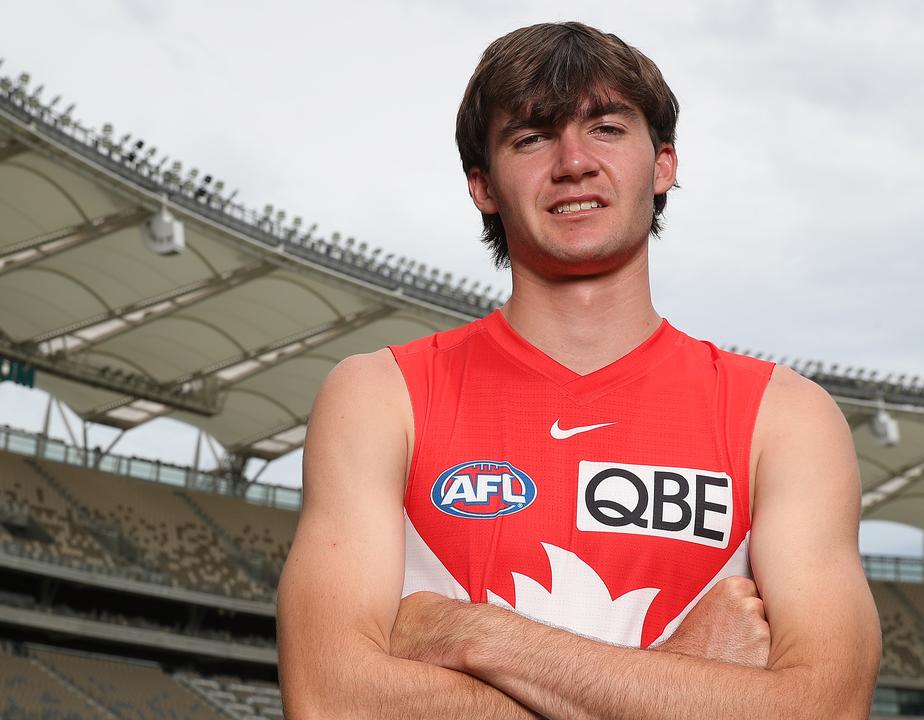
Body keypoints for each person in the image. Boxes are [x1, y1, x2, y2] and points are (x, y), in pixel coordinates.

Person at [278, 21, 880, 720]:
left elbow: (824, 710)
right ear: (484, 186)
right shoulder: (381, 397)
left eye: (607, 129)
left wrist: (472, 635)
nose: (573, 162)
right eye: (531, 138)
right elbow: (331, 702)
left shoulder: (784, 418)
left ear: (663, 163)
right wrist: (681, 681)